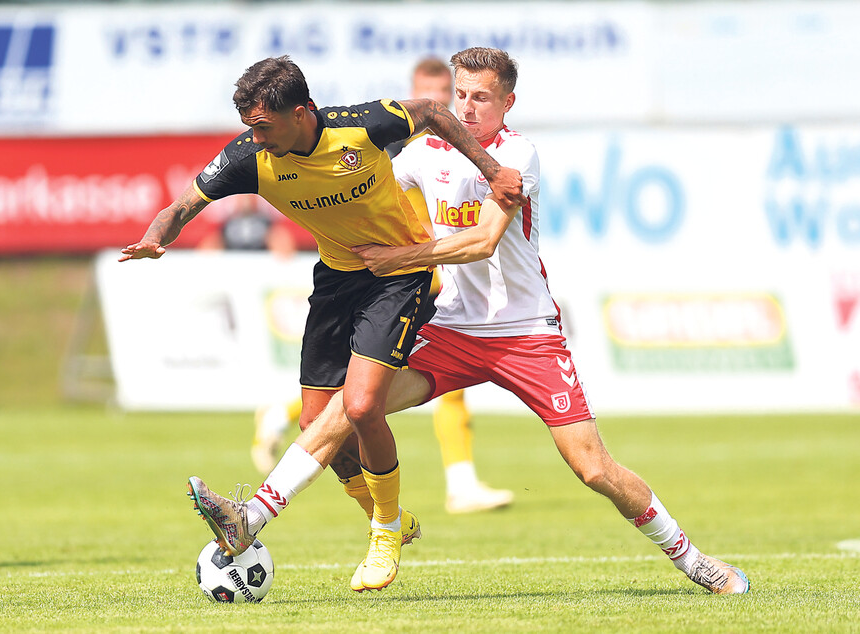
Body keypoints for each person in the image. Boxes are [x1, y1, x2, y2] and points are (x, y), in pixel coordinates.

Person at [190, 47, 751, 596]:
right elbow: (358, 185)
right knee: (348, 411)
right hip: (453, 330)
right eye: (459, 95)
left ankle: (696, 561)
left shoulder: (518, 155)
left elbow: (482, 241)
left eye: (481, 97)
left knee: (593, 468)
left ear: (508, 102)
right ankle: (255, 517)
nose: (467, 107)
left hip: (526, 334)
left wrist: (397, 259)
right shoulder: (423, 153)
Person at [119, 56, 526, 590]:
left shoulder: (358, 126)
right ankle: (394, 521)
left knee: (359, 407)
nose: (255, 138)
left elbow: (431, 111)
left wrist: (491, 170)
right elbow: (180, 206)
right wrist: (156, 237)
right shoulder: (250, 158)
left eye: (264, 126)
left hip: (399, 273)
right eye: (249, 127)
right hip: (336, 283)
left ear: (303, 113)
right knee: (318, 428)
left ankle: (382, 533)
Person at [252, 56, 513, 515]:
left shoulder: (448, 151)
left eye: (444, 94)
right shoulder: (390, 152)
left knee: (383, 389)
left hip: (432, 274)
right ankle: (455, 483)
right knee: (367, 392)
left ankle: (457, 481)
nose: (444, 105)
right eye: (431, 94)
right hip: (405, 276)